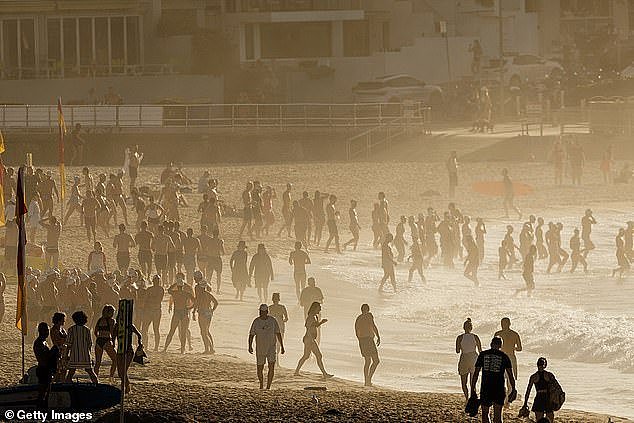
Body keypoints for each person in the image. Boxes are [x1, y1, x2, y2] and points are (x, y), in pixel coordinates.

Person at [471, 337, 517, 423]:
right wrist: (513, 388)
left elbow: (476, 373)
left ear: (491, 344)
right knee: (498, 416)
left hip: (486, 388)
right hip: (498, 389)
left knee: (485, 414)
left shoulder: (483, 355)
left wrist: (473, 388)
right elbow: (511, 375)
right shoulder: (504, 357)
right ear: (500, 345)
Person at [248, 304, 285, 389]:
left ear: (267, 312)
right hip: (260, 348)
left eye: (263, 312)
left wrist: (282, 346)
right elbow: (251, 334)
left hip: (271, 347)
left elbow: (278, 333)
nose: (261, 314)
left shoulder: (273, 321)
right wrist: (250, 346)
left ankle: (268, 386)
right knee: (260, 367)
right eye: (260, 312)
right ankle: (261, 384)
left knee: (271, 366)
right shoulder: (256, 322)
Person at [294, 302, 333, 379]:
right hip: (309, 339)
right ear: (315, 308)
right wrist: (311, 339)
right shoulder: (311, 317)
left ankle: (296, 371)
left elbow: (315, 325)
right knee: (318, 355)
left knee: (306, 356)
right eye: (319, 308)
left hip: (310, 339)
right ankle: (324, 374)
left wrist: (321, 322)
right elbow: (308, 328)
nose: (320, 309)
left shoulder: (314, 316)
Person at [163, 273, 194, 353]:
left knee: (172, 331)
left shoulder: (175, 293)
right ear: (183, 286)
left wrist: (175, 283)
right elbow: (195, 301)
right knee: (183, 332)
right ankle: (182, 350)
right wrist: (189, 308)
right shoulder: (186, 293)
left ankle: (165, 348)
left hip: (177, 312)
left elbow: (169, 290)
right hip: (184, 312)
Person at [65, 311, 99, 384]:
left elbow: (68, 344)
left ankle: (67, 386)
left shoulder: (71, 329)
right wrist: (90, 356)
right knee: (90, 372)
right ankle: (96, 385)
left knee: (71, 372)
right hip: (85, 355)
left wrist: (66, 355)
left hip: (74, 355)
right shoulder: (87, 330)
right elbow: (89, 344)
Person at [114, 313, 142, 394]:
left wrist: (139, 343)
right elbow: (113, 337)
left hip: (128, 350)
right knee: (120, 372)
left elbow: (139, 335)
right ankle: (126, 386)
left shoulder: (130, 326)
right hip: (120, 350)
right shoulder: (118, 326)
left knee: (123, 371)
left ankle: (126, 387)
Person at [522, 357, 556, 423]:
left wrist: (525, 403)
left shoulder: (533, 376)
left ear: (537, 365)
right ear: (545, 365)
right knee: (550, 420)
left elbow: (528, 391)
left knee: (539, 420)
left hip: (539, 398)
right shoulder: (549, 375)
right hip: (547, 398)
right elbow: (555, 389)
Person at [494, 318, 522, 398]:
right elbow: (519, 348)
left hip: (501, 357)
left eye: (503, 323)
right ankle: (507, 399)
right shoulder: (514, 334)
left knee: (501, 379)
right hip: (510, 357)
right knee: (509, 380)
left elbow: (494, 347)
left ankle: (505, 397)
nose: (503, 325)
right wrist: (513, 348)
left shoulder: (498, 334)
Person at [456, 318, 482, 401]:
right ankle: (472, 397)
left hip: (464, 358)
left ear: (464, 328)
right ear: (471, 328)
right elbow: (480, 350)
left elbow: (457, 351)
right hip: (474, 357)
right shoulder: (475, 337)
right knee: (473, 381)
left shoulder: (459, 337)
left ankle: (467, 398)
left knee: (464, 382)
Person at [33, 322, 59, 408]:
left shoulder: (43, 342)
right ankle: (40, 408)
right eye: (46, 330)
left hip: (46, 369)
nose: (48, 333)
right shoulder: (39, 343)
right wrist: (54, 350)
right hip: (43, 369)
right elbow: (44, 358)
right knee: (43, 392)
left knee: (47, 391)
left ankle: (44, 407)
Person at [192, 271, 218, 354]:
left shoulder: (197, 288)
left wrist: (193, 311)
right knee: (207, 331)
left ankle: (208, 349)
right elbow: (216, 303)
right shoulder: (208, 293)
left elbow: (197, 300)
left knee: (203, 332)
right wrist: (212, 310)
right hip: (208, 312)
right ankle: (211, 348)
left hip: (202, 312)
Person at [355, 304, 381, 387]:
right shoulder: (369, 315)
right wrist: (378, 336)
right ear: (368, 310)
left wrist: (360, 341)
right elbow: (373, 326)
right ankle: (368, 379)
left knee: (367, 361)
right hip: (368, 340)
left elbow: (357, 331)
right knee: (376, 361)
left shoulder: (358, 318)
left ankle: (367, 381)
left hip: (362, 340)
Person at [94, 305, 117, 381]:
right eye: (112, 312)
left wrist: (99, 337)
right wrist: (113, 342)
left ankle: (95, 378)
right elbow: (112, 332)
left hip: (99, 341)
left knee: (98, 362)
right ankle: (111, 376)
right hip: (107, 341)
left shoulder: (100, 320)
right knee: (115, 359)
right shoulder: (111, 321)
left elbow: (95, 331)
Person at [142, 275, 164, 352]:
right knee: (154, 329)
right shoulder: (160, 289)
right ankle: (153, 347)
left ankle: (147, 346)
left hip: (151, 310)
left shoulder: (150, 289)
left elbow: (145, 300)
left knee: (146, 329)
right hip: (156, 310)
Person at [268, 293, 288, 367]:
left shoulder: (270, 307)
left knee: (273, 344)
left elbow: (267, 319)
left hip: (272, 328)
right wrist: (280, 319)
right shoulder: (282, 307)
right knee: (279, 344)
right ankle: (276, 361)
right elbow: (286, 318)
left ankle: (274, 361)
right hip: (280, 327)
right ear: (279, 299)